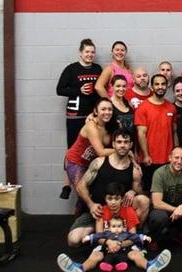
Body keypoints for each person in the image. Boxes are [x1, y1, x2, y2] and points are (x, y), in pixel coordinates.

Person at [58, 182, 170, 272]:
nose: (113, 202)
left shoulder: (129, 211)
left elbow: (133, 235)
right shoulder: (101, 211)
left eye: (116, 199)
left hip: (125, 243)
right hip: (106, 244)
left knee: (136, 255)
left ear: (121, 199)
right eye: (110, 199)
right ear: (105, 199)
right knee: (95, 256)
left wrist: (120, 244)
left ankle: (150, 266)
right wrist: (108, 243)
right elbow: (99, 236)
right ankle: (79, 268)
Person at [67, 129, 149, 247]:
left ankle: (131, 237)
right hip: (98, 212)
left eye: (126, 142)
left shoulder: (135, 170)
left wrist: (133, 192)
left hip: (120, 214)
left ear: (130, 145)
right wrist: (91, 205)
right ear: (113, 144)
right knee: (74, 241)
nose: (122, 145)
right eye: (119, 142)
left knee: (144, 201)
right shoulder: (99, 163)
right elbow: (81, 185)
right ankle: (102, 236)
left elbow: (140, 192)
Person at [57, 38, 102, 199]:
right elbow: (60, 89)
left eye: (92, 52)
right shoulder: (71, 69)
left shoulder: (97, 68)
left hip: (92, 116)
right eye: (87, 52)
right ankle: (66, 184)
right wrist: (78, 90)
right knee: (72, 150)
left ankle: (87, 183)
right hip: (75, 115)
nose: (90, 54)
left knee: (91, 150)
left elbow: (100, 90)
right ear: (80, 53)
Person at [65, 98, 116, 214]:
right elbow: (101, 152)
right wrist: (124, 151)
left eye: (109, 109)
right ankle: (79, 222)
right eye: (103, 109)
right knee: (82, 192)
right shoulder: (91, 126)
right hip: (75, 162)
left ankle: (88, 218)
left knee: (92, 192)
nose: (107, 112)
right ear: (96, 111)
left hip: (91, 163)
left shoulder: (111, 126)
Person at [135, 74, 178, 193]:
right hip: (150, 160)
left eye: (163, 84)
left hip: (168, 159)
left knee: (167, 191)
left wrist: (175, 152)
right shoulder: (143, 108)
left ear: (167, 86)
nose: (160, 87)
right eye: (157, 84)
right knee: (150, 191)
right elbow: (141, 134)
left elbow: (174, 132)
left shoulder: (171, 108)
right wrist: (146, 155)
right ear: (152, 87)